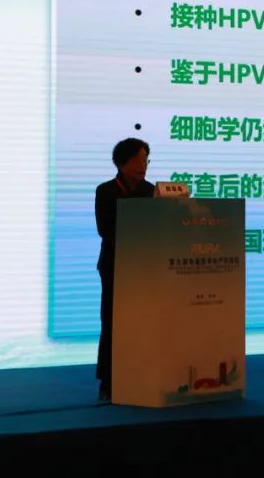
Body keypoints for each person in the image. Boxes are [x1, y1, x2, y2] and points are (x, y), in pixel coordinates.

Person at [93, 137, 154, 402]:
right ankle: (108, 382)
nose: (144, 165)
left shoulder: (152, 190)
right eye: (139, 159)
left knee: (144, 323)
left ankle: (142, 375)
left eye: (146, 160)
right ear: (122, 162)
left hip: (146, 269)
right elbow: (104, 229)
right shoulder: (106, 190)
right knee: (112, 322)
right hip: (115, 265)